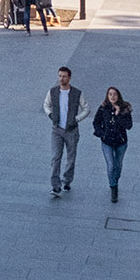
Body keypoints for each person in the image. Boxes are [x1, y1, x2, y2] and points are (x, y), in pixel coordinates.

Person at [44, 66, 90, 197]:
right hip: (57, 129)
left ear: (69, 78)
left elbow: (86, 108)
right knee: (55, 157)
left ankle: (67, 181)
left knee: (71, 158)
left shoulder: (77, 93)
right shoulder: (53, 92)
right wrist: (50, 115)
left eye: (64, 76)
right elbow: (46, 104)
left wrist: (77, 119)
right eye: (59, 76)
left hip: (71, 130)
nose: (61, 79)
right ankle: (55, 185)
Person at [91, 86, 133, 202]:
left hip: (121, 142)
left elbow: (129, 126)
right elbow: (96, 122)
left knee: (118, 165)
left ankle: (116, 179)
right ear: (107, 96)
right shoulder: (103, 108)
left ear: (118, 96)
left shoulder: (125, 109)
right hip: (107, 142)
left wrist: (119, 114)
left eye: (114, 94)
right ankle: (113, 187)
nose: (112, 96)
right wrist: (101, 133)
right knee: (111, 165)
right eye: (110, 94)